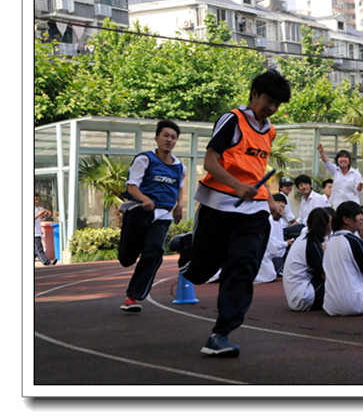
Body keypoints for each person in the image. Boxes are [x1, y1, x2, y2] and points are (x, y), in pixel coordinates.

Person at [180, 69, 291, 357]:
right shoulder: (232, 120)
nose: (272, 108)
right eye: (268, 101)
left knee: (243, 267)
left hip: (253, 212)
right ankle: (187, 248)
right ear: (254, 94)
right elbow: (210, 162)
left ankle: (221, 333)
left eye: (277, 104)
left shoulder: (270, 131)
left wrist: (270, 201)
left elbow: (257, 172)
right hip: (218, 205)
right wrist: (237, 185)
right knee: (201, 271)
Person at [117, 120, 186, 312]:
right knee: (126, 258)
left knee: (154, 253)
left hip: (162, 215)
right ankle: (130, 252)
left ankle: (133, 297)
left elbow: (180, 188)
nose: (169, 140)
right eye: (165, 136)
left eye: (173, 137)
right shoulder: (144, 159)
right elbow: (132, 186)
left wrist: (179, 206)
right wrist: (144, 199)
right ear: (157, 138)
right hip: (139, 211)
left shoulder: (180, 167)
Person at [283, 207, 331, 312]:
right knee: (338, 283)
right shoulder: (312, 243)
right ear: (328, 225)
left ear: (308, 222)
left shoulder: (303, 239)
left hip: (296, 294)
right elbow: (324, 275)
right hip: (303, 297)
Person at [317, 143, 363, 207]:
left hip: (351, 206)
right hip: (337, 205)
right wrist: (322, 151)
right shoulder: (335, 170)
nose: (343, 159)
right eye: (340, 157)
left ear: (349, 160)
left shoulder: (355, 174)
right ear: (337, 160)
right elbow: (327, 163)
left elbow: (358, 191)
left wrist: (361, 183)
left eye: (346, 157)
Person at [34, 193, 55, 266]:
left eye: (37, 199)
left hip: (37, 231)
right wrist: (40, 214)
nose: (36, 201)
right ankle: (47, 262)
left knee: (36, 250)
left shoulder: (36, 208)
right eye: (35, 199)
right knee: (39, 249)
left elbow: (39, 218)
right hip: (35, 233)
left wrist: (45, 214)